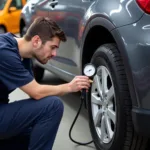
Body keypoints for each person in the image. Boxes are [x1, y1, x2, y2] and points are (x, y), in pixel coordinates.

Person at [0, 17, 91, 150]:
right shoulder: (4, 52)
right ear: (36, 41)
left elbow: (37, 97)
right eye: (52, 47)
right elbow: (36, 92)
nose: (54, 54)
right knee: (53, 106)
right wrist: (69, 87)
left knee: (35, 131)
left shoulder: (23, 54)